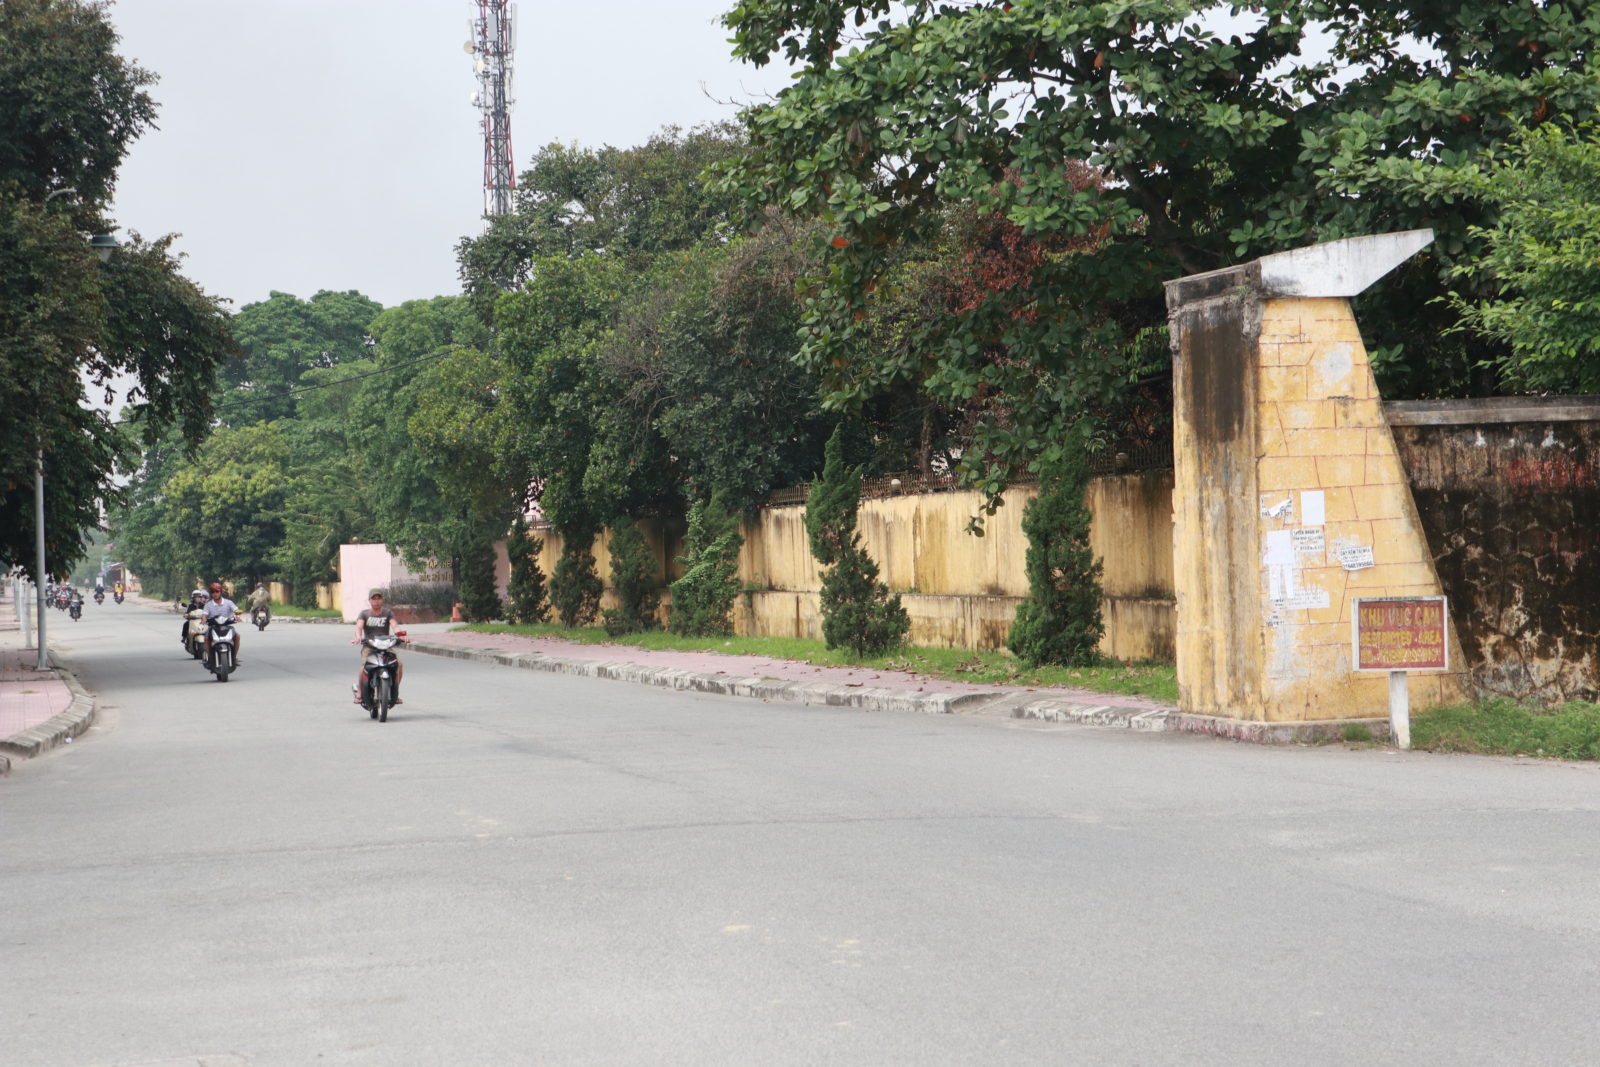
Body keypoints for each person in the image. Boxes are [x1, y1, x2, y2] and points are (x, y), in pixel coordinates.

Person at [352, 589, 402, 705]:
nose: (376, 601)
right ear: (369, 600)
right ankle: (360, 693)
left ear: (382, 599)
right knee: (364, 666)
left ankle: (394, 692)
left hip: (386, 646)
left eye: (378, 598)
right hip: (370, 646)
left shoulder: (388, 613)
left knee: (399, 665)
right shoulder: (364, 613)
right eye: (373, 598)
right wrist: (358, 637)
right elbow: (359, 627)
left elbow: (395, 626)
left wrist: (400, 635)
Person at [201, 582, 242, 664]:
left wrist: (237, 616)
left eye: (217, 591)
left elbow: (235, 610)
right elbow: (204, 615)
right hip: (213, 627)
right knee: (206, 639)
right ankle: (209, 659)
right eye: (212, 592)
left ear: (220, 592)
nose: (215, 593)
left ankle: (234, 657)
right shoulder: (208, 605)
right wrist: (204, 620)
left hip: (226, 626)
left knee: (237, 636)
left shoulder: (228, 602)